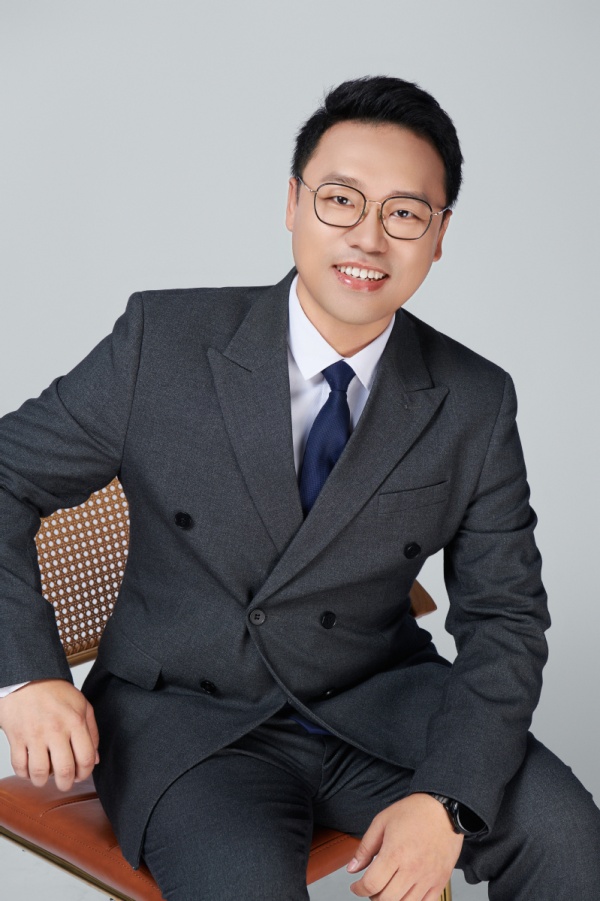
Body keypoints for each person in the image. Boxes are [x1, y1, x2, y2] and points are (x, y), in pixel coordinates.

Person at [0, 76, 598, 901]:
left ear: (439, 235)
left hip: (380, 705)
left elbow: (506, 616)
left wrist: (447, 799)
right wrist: (25, 675)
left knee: (569, 837)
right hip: (191, 728)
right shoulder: (161, 343)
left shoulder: (474, 398)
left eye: (404, 213)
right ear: (292, 203)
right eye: (341, 200)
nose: (368, 238)